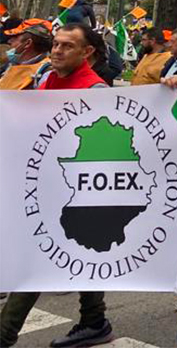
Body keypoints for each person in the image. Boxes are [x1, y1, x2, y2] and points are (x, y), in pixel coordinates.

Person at [1, 24, 114, 348]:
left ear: (87, 52)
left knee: (39, 259)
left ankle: (4, 333)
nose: (57, 50)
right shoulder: (48, 81)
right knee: (81, 254)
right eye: (56, 44)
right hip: (45, 188)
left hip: (75, 195)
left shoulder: (96, 92)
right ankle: (94, 321)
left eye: (67, 46)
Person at [0, 18, 53, 90]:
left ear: (27, 43)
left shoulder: (46, 74)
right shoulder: (9, 65)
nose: (9, 41)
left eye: (15, 37)